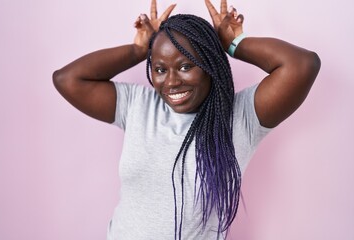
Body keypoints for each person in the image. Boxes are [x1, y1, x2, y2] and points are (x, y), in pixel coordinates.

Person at [52, 0, 321, 239]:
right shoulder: (139, 106)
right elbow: (68, 80)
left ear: (211, 64)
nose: (170, 82)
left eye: (185, 66)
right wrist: (137, 50)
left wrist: (234, 44)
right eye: (159, 69)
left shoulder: (241, 117)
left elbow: (302, 65)